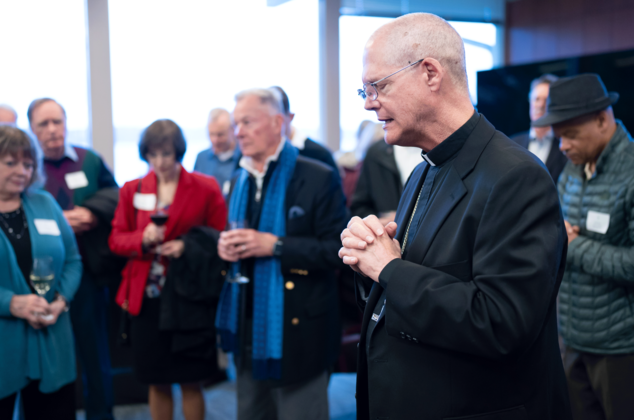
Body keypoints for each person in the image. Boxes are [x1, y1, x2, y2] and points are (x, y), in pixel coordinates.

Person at [337, 13, 572, 420]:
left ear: (430, 73)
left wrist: (389, 268)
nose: (368, 101)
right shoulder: (423, 169)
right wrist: (367, 261)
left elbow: (501, 323)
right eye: (365, 89)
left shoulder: (516, 177)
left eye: (378, 86)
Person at [216, 88, 348, 420]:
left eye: (247, 122)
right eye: (235, 123)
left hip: (301, 330)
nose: (238, 132)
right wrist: (225, 247)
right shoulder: (238, 179)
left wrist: (275, 246)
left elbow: (338, 250)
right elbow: (238, 238)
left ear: (277, 122)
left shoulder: (319, 176)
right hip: (248, 326)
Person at [109, 119, 227, 420]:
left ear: (179, 152)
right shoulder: (132, 189)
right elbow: (116, 240)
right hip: (146, 299)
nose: (159, 162)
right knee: (156, 380)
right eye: (153, 155)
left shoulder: (204, 187)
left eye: (166, 154)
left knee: (191, 380)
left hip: (189, 298)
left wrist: (186, 246)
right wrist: (142, 239)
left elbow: (220, 237)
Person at [532, 73, 634, 420]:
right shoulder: (572, 170)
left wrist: (575, 244)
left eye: (571, 136)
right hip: (572, 338)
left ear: (603, 120)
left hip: (621, 347)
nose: (562, 147)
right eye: (559, 137)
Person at [27, 97, 118, 420]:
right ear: (32, 130)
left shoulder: (88, 160)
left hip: (89, 273)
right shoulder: (27, 169)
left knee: (95, 358)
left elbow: (115, 195)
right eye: (44, 124)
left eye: (58, 122)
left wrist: (92, 212)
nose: (53, 130)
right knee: (45, 360)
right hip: (39, 281)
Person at [0, 126, 82, 419]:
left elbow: (73, 260)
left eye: (28, 164)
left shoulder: (45, 203)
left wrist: (61, 301)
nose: (22, 171)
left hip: (51, 335)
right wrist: (10, 303)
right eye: (10, 163)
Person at [269, 86, 340, 180]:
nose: (271, 127)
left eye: (276, 121)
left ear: (290, 117)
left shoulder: (320, 154)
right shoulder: (260, 155)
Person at [350, 127, 421, 223]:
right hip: (387, 233)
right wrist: (379, 221)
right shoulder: (375, 153)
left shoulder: (439, 152)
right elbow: (359, 206)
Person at [511, 74, 568, 182]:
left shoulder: (565, 145)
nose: (540, 105)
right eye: (536, 99)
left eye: (547, 100)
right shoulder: (511, 143)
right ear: (530, 101)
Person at [193, 108, 241, 196]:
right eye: (211, 134)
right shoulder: (201, 158)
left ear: (233, 130)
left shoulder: (244, 159)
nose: (215, 140)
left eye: (220, 134)